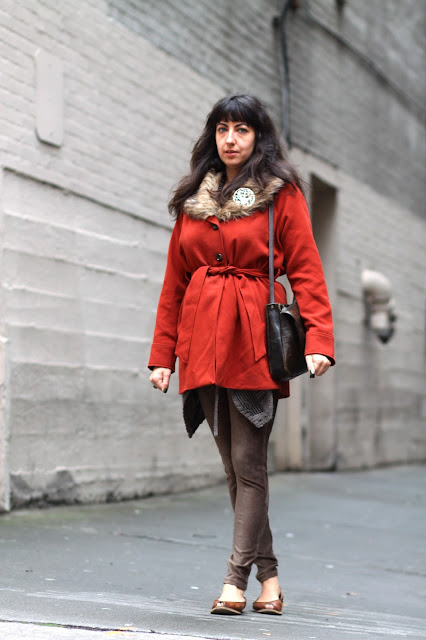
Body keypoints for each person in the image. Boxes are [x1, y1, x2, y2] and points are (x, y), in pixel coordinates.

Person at [148, 94, 335, 616]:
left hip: (252, 339)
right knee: (233, 467)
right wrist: (163, 355)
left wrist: (319, 339)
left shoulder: (281, 194)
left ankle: (234, 581)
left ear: (259, 137)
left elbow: (306, 268)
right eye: (223, 129)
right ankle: (270, 581)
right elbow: (174, 283)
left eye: (242, 130)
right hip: (202, 341)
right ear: (213, 136)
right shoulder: (193, 199)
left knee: (249, 464)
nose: (231, 139)